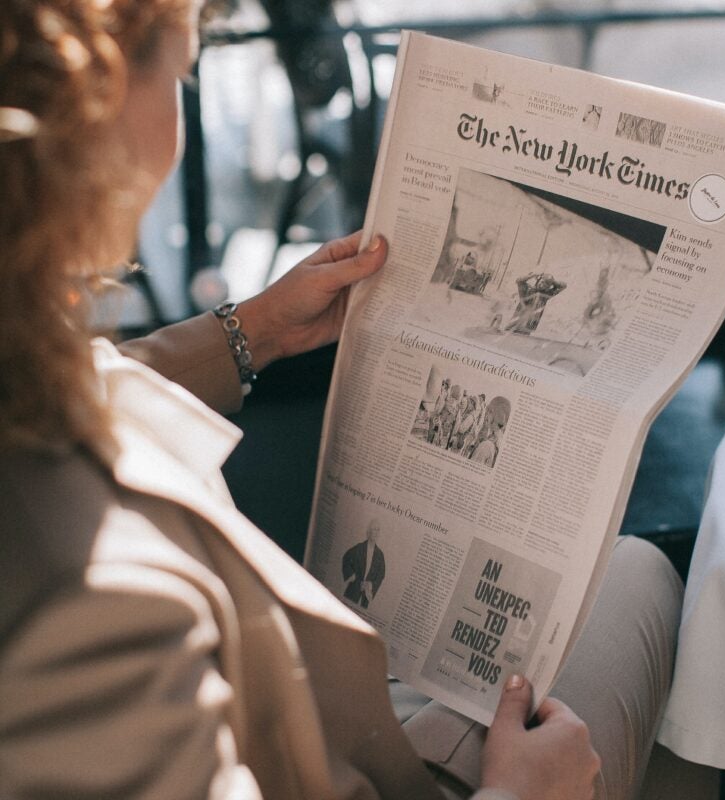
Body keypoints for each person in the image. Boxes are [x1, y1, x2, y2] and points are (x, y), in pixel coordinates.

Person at [0, 2, 685, 799]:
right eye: (181, 76)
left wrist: (251, 331)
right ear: (91, 111)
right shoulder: (85, 614)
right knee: (642, 581)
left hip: (332, 724)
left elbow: (69, 386)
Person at [342, 518, 386, 608]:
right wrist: (351, 575)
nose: (376, 532)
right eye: (374, 529)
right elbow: (346, 558)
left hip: (365, 596)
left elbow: (381, 575)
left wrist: (371, 585)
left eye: (378, 530)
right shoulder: (359, 548)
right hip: (353, 590)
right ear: (369, 532)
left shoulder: (380, 555)